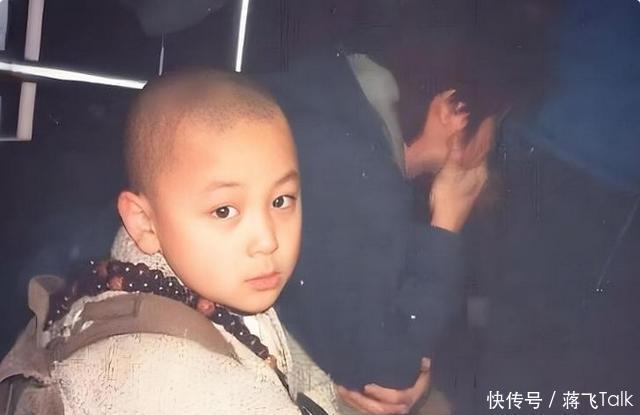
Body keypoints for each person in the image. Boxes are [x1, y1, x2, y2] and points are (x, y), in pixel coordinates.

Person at [0, 69, 341, 414]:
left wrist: (334, 395)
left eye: (281, 200)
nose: (267, 241)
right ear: (144, 222)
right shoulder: (180, 386)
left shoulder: (199, 282)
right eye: (224, 211)